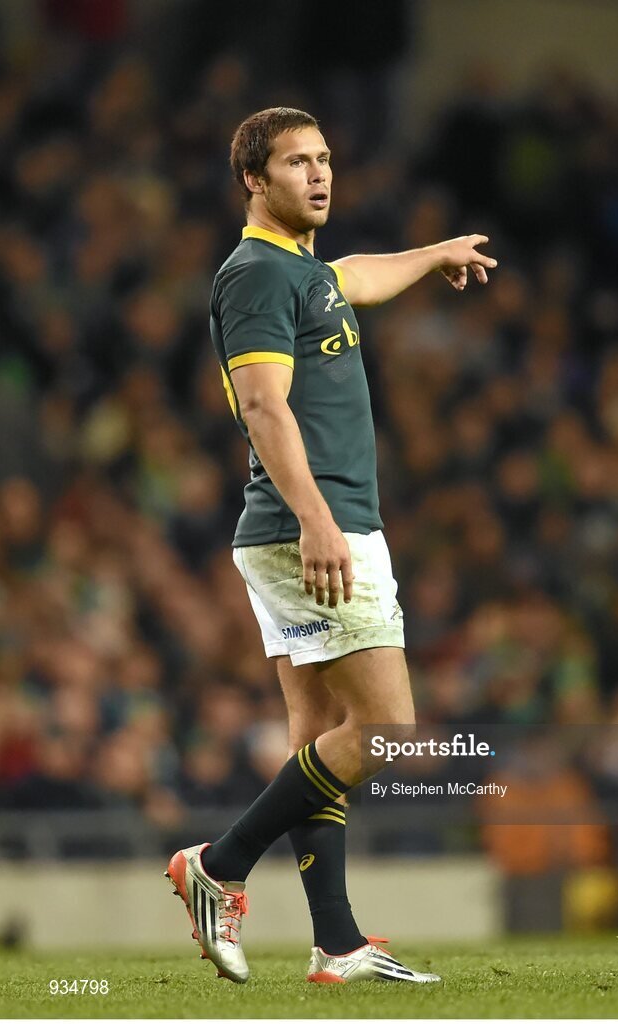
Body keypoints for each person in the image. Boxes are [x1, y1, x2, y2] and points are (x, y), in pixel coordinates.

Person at [165, 106, 496, 985]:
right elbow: (263, 405)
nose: (318, 175)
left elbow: (357, 276)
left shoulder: (302, 270)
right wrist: (316, 518)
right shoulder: (255, 276)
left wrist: (432, 254)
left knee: (320, 739)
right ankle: (219, 866)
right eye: (295, 162)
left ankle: (338, 944)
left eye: (324, 159)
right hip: (314, 525)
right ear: (253, 179)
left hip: (300, 527)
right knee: (385, 731)